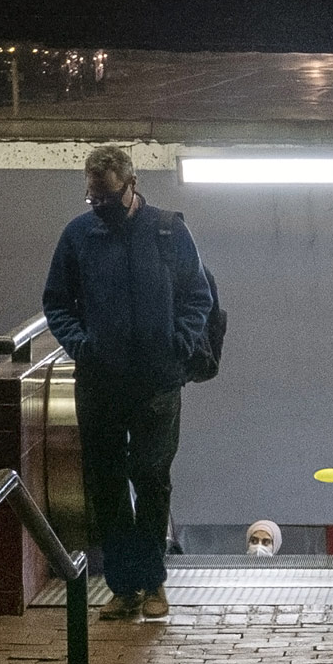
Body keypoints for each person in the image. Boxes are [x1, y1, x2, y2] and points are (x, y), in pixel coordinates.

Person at [42, 144, 214, 621]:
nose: (100, 207)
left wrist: (178, 343)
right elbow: (56, 302)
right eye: (93, 198)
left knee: (152, 479)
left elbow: (197, 296)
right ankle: (125, 587)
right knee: (108, 484)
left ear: (131, 185)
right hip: (100, 383)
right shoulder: (78, 236)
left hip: (158, 382)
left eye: (108, 197)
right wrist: (83, 345)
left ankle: (152, 581)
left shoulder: (168, 230)